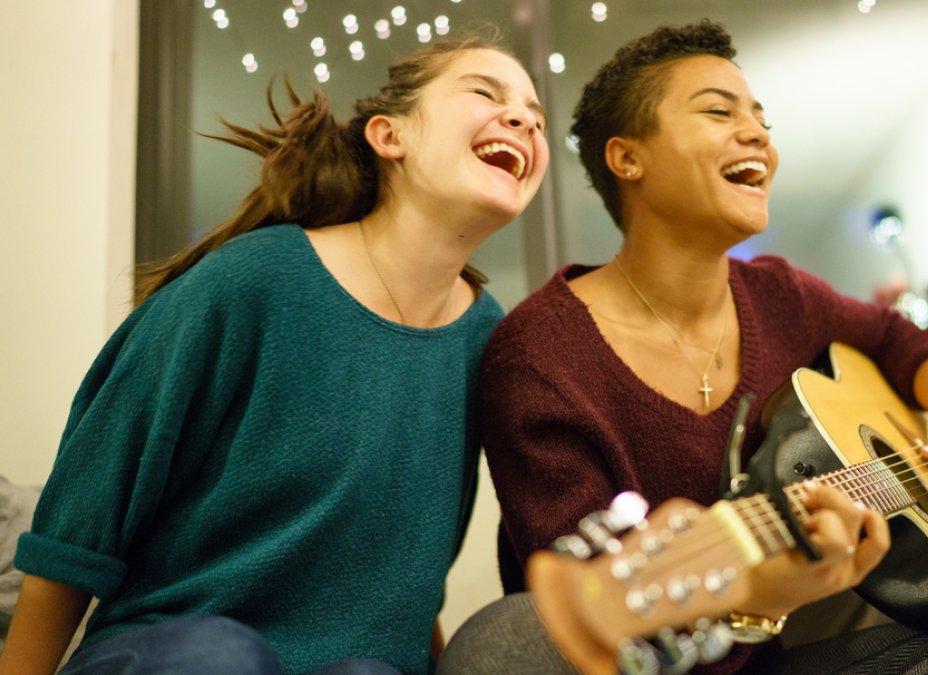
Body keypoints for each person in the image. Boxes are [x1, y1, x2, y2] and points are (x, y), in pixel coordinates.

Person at [440, 20, 928, 674]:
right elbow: (578, 632)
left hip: (796, 656)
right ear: (627, 156)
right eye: (720, 113)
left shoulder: (779, 294)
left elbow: (899, 338)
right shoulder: (538, 357)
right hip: (662, 656)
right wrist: (762, 592)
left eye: (762, 122)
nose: (757, 138)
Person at [0, 33, 548, 675]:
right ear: (388, 136)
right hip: (181, 653)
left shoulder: (489, 338)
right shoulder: (249, 283)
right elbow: (73, 540)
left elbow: (397, 568)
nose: (523, 121)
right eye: (485, 92)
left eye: (536, 118)